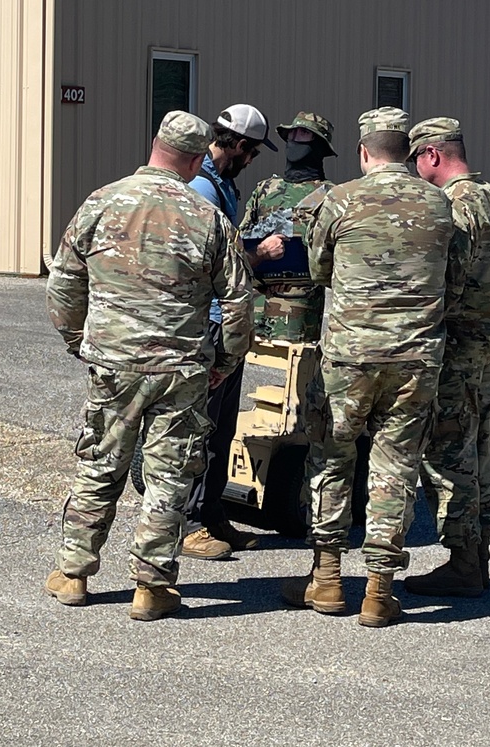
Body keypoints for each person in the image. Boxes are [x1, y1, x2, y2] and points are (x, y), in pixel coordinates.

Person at [43, 111, 254, 621]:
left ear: (155, 143)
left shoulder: (101, 201)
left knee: (100, 462)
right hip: (182, 368)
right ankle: (151, 586)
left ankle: (74, 573)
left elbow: (63, 284)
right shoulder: (208, 218)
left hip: (115, 363)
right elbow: (240, 302)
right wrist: (224, 361)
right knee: (168, 476)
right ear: (198, 157)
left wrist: (80, 341)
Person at [281, 107, 468, 627]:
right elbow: (453, 282)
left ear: (364, 151)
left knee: (332, 459)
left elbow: (317, 269)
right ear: (408, 153)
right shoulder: (438, 203)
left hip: (350, 356)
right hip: (415, 360)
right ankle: (380, 590)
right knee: (395, 468)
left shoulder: (340, 201)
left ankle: (326, 580)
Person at [403, 117, 490, 598]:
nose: (414, 170)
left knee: (449, 453)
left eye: (416, 160)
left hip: (453, 348)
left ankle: (463, 561)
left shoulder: (448, 207)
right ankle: (479, 553)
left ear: (432, 154)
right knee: (480, 449)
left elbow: (441, 283)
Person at [182, 103, 285, 560]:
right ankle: (185, 522)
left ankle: (212, 514)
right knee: (195, 427)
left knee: (222, 429)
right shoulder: (202, 190)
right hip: (205, 327)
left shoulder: (221, 183)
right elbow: (207, 268)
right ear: (239, 145)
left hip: (225, 327)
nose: (253, 161)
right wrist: (258, 256)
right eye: (254, 153)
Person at [239, 112, 336, 343]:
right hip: (254, 301)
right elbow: (239, 242)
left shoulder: (331, 195)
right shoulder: (265, 189)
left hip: (297, 309)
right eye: (291, 134)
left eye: (303, 134)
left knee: (296, 373)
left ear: (319, 146)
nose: (294, 139)